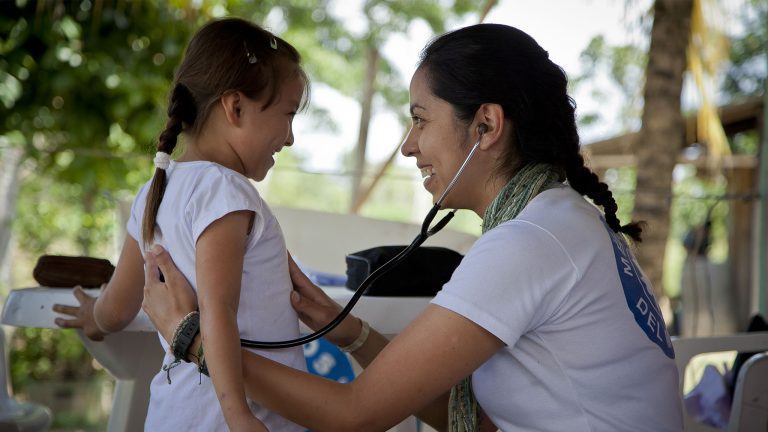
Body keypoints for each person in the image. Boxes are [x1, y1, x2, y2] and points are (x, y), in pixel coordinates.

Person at [153, 23, 683, 431]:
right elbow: (478, 421)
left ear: (486, 125)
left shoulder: (529, 244)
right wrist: (349, 331)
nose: (408, 145)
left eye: (421, 119)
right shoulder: (560, 221)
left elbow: (356, 414)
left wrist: (192, 340)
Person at [52, 17, 310, 432]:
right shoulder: (225, 191)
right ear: (236, 107)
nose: (291, 137)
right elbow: (216, 312)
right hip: (228, 420)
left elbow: (118, 307)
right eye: (287, 114)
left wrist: (93, 320)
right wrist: (238, 416)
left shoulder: (157, 188)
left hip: (174, 414)